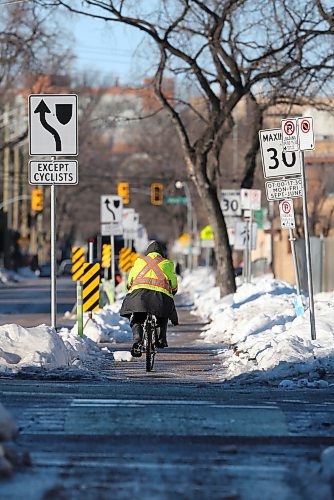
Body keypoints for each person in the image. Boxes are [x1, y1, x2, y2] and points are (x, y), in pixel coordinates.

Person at [120, 240, 178, 357]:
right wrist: (174, 289)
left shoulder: (139, 261)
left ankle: (137, 339)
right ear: (161, 253)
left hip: (139, 296)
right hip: (159, 297)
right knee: (163, 315)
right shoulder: (167, 263)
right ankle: (161, 338)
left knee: (137, 317)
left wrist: (129, 286)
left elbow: (130, 280)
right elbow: (173, 283)